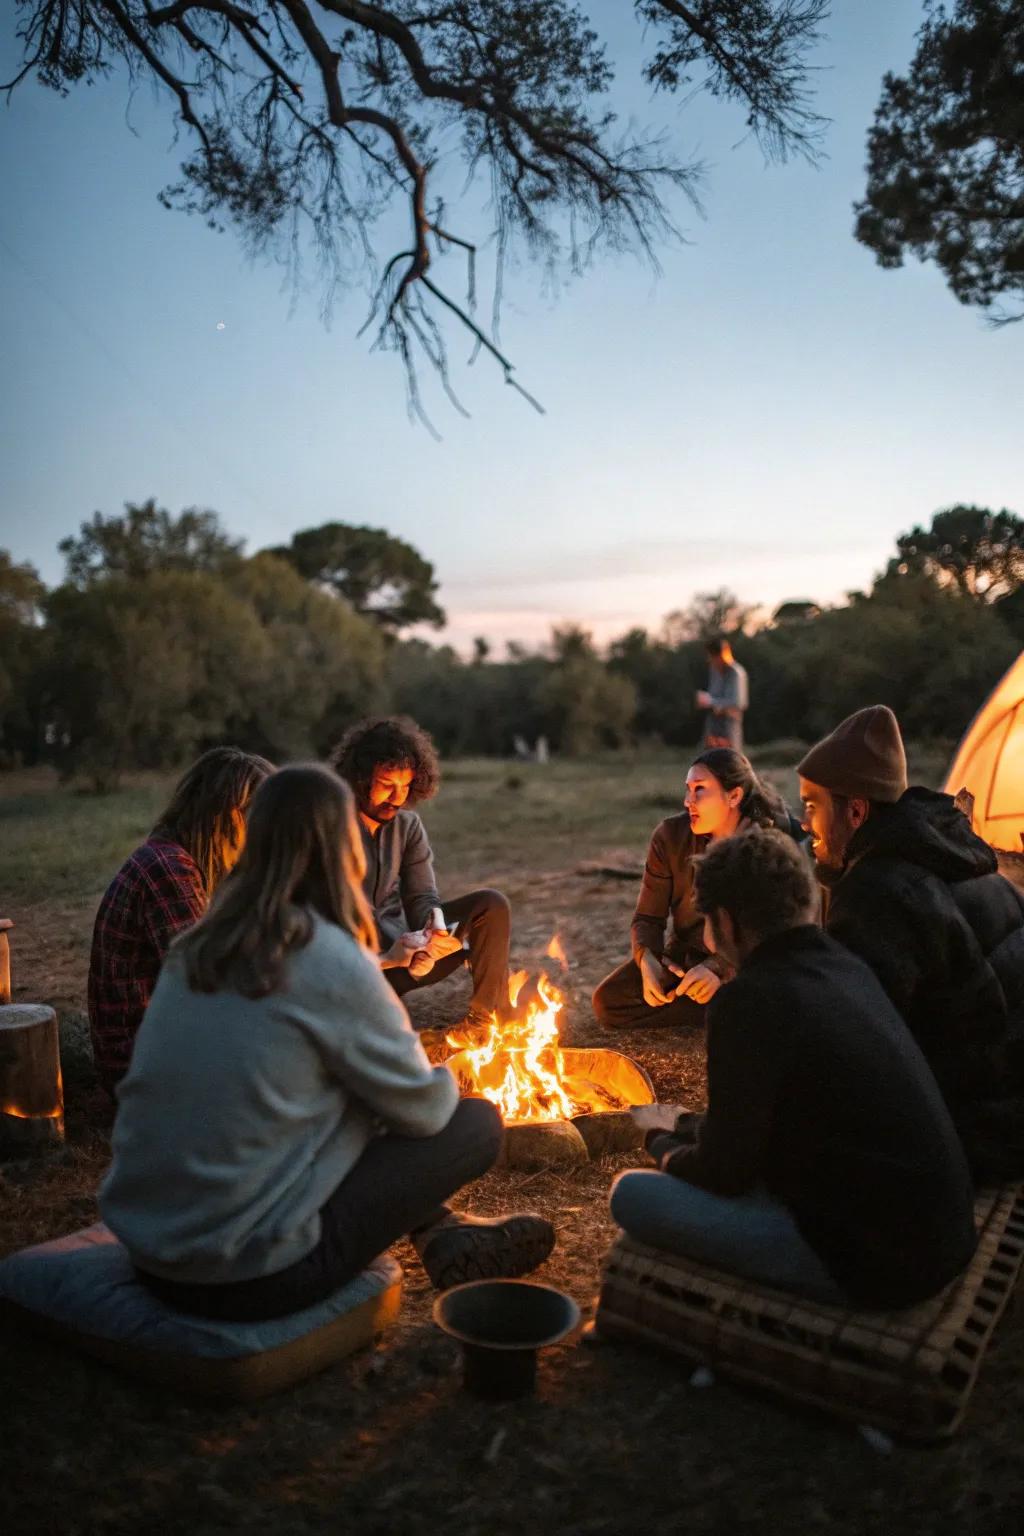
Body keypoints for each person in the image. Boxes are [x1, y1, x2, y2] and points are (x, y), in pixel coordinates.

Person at [99, 764, 555, 1320]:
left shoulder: (196, 947)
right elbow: (426, 1110)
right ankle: (439, 1233)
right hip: (249, 1277)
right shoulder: (331, 957)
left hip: (149, 1251)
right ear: (347, 851)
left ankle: (443, 1238)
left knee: (337, 1094)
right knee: (475, 1123)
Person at [610, 829, 978, 1309]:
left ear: (726, 922)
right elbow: (770, 1124)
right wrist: (684, 1123)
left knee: (631, 1195)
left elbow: (726, 1171)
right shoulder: (846, 965)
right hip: (944, 1233)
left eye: (706, 922)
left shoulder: (748, 1001)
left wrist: (660, 1145)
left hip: (880, 1267)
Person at [798, 705, 1024, 1180]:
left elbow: (861, 1047)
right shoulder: (956, 856)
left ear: (856, 810)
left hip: (980, 1131)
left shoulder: (877, 892)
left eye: (812, 806)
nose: (804, 824)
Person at [88, 746, 274, 1095]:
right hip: (144, 1065)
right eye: (255, 816)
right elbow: (212, 984)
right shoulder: (170, 870)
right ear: (221, 814)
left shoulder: (186, 862)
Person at [593, 748, 799, 1029]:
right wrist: (648, 959)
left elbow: (775, 932)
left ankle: (728, 1005)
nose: (688, 801)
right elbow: (648, 918)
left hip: (748, 961)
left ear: (734, 796)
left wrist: (720, 967)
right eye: (688, 789)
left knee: (774, 992)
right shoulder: (670, 837)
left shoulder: (767, 845)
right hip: (686, 960)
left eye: (700, 790)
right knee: (610, 1002)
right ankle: (720, 1009)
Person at [331, 716, 511, 1032]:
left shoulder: (408, 826)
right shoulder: (329, 826)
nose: (397, 797)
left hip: (406, 952)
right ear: (360, 778)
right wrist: (387, 955)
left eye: (405, 785)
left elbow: (422, 897)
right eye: (387, 785)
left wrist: (433, 929)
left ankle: (487, 1023)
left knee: (491, 905)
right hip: (354, 965)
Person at [696, 636, 749, 751]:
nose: (710, 661)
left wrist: (710, 701)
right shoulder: (714, 671)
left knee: (729, 762)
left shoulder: (736, 673)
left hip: (729, 727)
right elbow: (713, 694)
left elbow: (738, 703)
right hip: (713, 725)